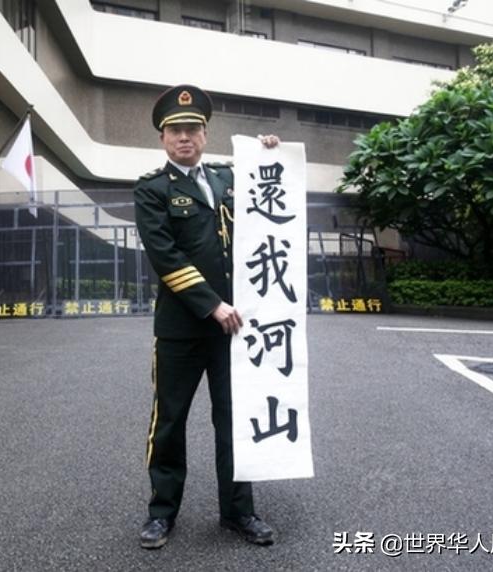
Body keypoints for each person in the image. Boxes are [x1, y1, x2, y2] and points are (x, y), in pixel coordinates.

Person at [134, 84, 279, 549]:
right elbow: (166, 256)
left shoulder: (228, 179)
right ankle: (161, 513)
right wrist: (212, 304)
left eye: (193, 129)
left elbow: (271, 201)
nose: (184, 137)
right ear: (163, 138)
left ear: (205, 133)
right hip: (182, 328)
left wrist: (269, 155)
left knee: (234, 420)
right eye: (175, 130)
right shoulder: (152, 190)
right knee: (170, 422)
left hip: (233, 329)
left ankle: (239, 512)